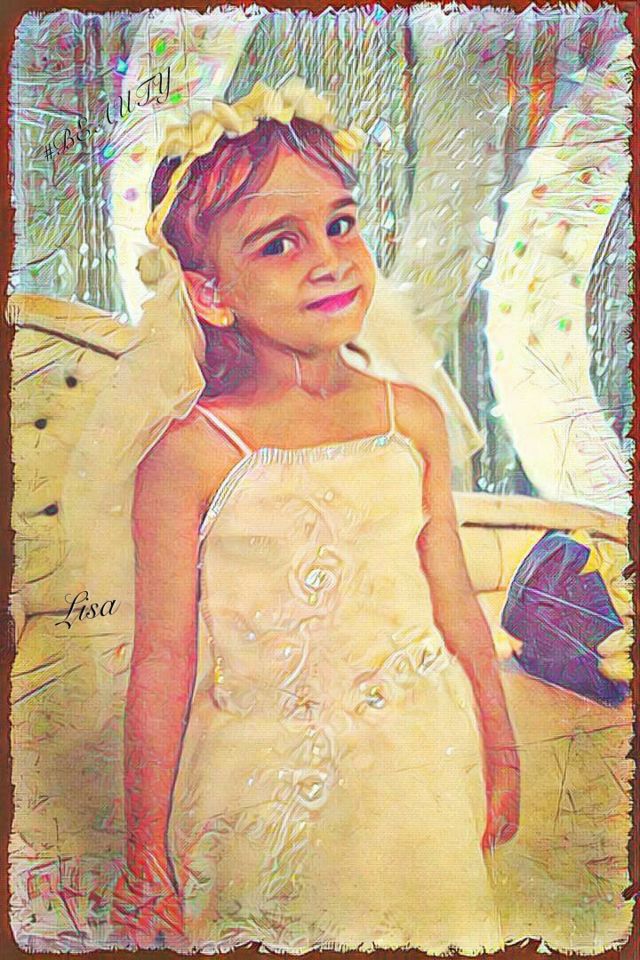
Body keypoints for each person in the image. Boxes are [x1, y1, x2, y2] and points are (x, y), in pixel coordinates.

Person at [111, 79, 520, 954]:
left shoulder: (410, 419)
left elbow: (454, 604)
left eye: (340, 224)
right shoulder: (191, 452)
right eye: (279, 242)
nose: (330, 259)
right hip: (260, 778)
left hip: (416, 756)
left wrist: (500, 743)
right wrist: (144, 848)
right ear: (211, 293)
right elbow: (161, 658)